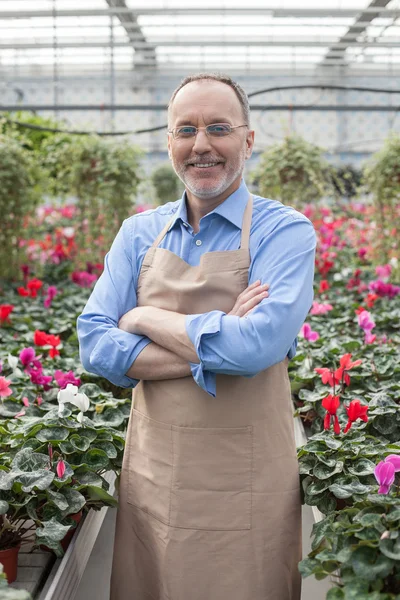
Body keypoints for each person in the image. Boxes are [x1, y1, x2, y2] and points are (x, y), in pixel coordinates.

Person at [77, 73, 317, 600]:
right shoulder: (138, 232)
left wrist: (141, 318)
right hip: (155, 476)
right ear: (169, 143)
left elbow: (257, 347)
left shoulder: (285, 232)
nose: (201, 144)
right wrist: (219, 338)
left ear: (248, 140)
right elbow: (94, 344)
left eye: (219, 128)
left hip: (249, 480)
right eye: (185, 129)